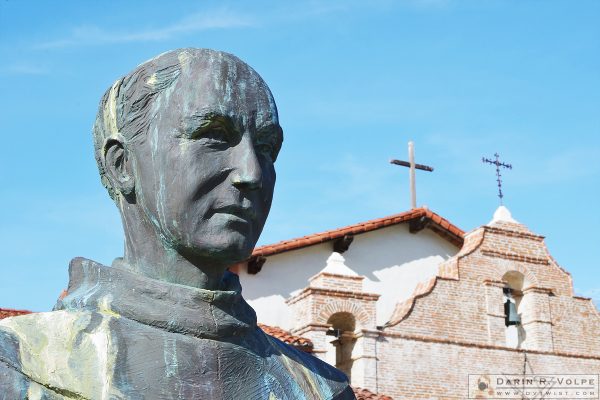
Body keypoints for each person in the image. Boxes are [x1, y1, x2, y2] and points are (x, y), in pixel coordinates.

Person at [0, 48, 354, 400]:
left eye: (266, 147)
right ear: (122, 165)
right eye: (213, 136)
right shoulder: (19, 365)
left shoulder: (323, 390)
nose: (252, 173)